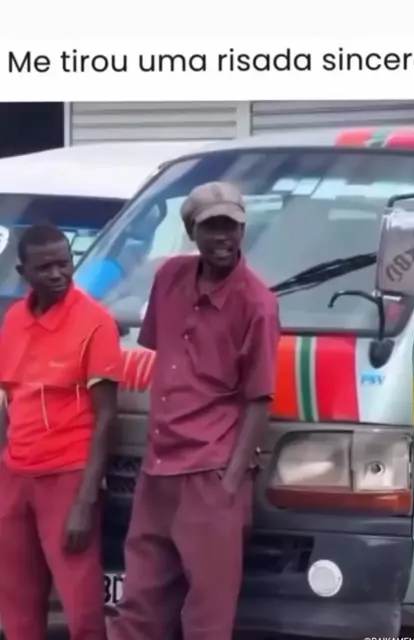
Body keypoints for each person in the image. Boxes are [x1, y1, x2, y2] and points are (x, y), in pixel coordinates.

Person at [108, 181, 281, 640]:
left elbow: (258, 400)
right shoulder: (170, 276)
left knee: (207, 615)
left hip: (210, 473)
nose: (224, 237)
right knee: (139, 605)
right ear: (192, 231)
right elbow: (160, 352)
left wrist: (230, 483)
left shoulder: (258, 304)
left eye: (232, 226)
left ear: (243, 230)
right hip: (157, 466)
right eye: (212, 227)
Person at [0, 223, 123, 640]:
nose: (57, 274)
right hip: (15, 474)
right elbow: (8, 399)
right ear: (24, 272)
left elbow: (106, 416)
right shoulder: (14, 319)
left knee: (80, 607)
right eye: (45, 267)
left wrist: (85, 501)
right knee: (16, 603)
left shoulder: (95, 322)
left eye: (64, 263)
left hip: (67, 476)